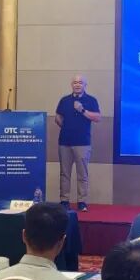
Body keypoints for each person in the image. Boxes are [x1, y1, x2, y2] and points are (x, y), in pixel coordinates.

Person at [55, 75, 101, 213]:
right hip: (65, 141)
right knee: (64, 173)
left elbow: (97, 117)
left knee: (82, 174)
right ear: (71, 85)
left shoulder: (91, 100)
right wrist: (67, 127)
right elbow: (58, 117)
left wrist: (82, 110)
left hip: (83, 142)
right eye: (75, 82)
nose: (77, 85)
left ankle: (82, 201)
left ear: (85, 85)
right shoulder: (64, 100)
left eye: (80, 83)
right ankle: (64, 201)